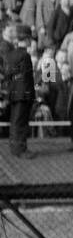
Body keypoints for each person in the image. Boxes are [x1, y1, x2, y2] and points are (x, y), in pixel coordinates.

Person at [2, 21, 35, 158]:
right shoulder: (25, 56)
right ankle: (21, 149)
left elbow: (8, 74)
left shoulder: (10, 55)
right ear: (26, 39)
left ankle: (15, 147)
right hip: (23, 94)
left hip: (14, 93)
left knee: (15, 121)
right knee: (21, 122)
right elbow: (27, 78)